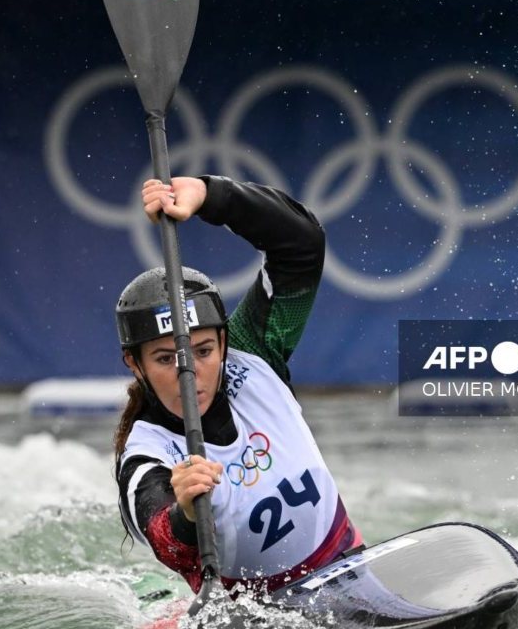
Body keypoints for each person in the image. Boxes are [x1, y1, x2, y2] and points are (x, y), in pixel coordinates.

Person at [113, 174, 363, 596]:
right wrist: (186, 513)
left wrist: (213, 197)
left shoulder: (255, 355)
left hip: (346, 573)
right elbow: (164, 539)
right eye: (164, 358)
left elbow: (302, 245)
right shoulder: (145, 452)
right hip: (254, 615)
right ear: (134, 365)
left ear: (225, 342)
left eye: (204, 351)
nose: (188, 372)